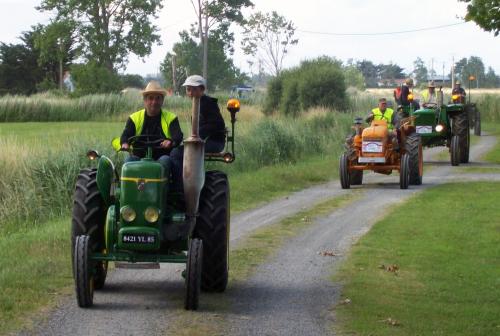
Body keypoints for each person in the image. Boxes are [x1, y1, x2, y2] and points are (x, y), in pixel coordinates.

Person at [169, 75, 227, 191]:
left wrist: (197, 133)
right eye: (188, 89)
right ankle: (186, 179)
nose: (190, 92)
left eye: (194, 89)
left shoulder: (209, 104)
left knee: (176, 154)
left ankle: (180, 187)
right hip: (202, 141)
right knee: (175, 151)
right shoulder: (199, 103)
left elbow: (218, 125)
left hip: (214, 142)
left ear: (202, 89)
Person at [120, 81, 183, 171]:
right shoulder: (134, 118)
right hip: (139, 157)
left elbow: (178, 136)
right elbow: (126, 135)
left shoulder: (171, 118)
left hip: (161, 157)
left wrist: (170, 141)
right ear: (145, 100)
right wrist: (125, 143)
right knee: (128, 162)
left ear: (162, 100)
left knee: (166, 161)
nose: (154, 102)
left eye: (158, 98)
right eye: (150, 98)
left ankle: (174, 185)